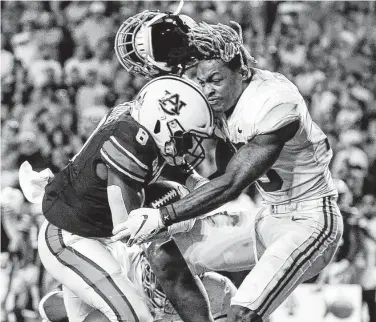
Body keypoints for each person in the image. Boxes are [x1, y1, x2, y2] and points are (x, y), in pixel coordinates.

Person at [115, 21, 344, 322]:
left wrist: (163, 215)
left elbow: (233, 182)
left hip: (310, 221)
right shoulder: (224, 101)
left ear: (242, 72)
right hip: (268, 216)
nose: (207, 90)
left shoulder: (273, 102)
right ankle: (212, 304)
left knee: (244, 314)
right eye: (202, 81)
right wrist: (186, 173)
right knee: (165, 258)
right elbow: (225, 166)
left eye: (215, 80)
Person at [20, 75, 217, 322]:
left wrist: (200, 188)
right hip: (69, 237)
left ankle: (60, 313)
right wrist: (178, 217)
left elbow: (178, 171)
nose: (191, 147)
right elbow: (127, 225)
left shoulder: (140, 125)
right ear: (160, 124)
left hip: (93, 236)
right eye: (186, 138)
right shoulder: (130, 139)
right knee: (134, 316)